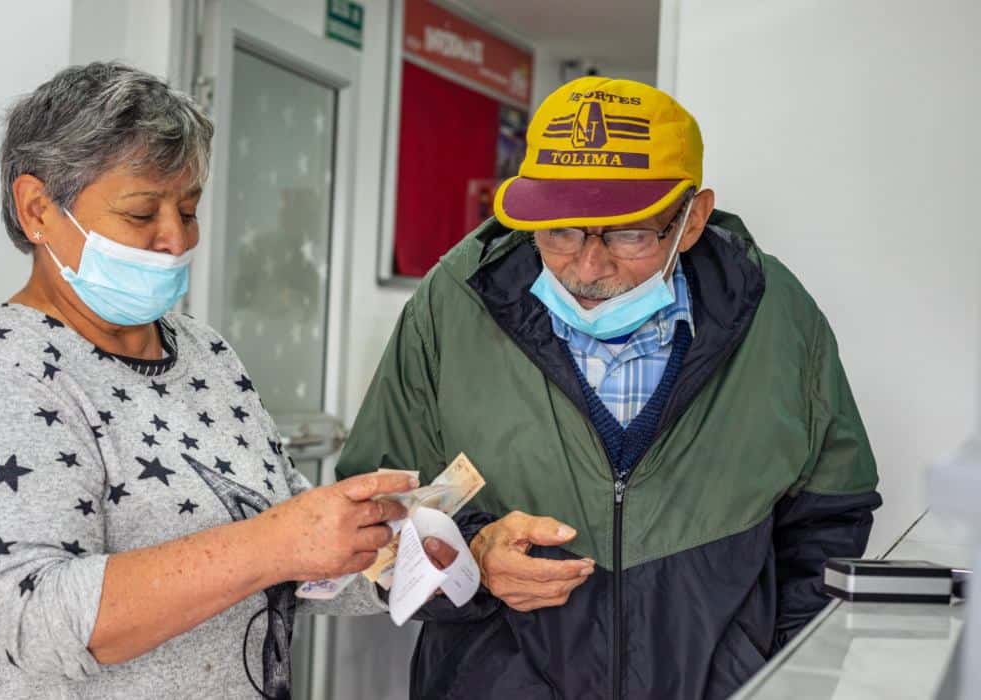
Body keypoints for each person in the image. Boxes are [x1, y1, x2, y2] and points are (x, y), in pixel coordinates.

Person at [0, 62, 431, 699]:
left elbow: (291, 552)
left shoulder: (205, 353)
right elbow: (32, 619)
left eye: (188, 208)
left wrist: (424, 552)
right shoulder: (2, 371)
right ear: (38, 208)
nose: (175, 238)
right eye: (142, 212)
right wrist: (272, 544)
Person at [336, 76, 882, 699]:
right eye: (560, 231)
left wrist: (786, 682)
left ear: (693, 218)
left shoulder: (777, 316)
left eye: (628, 234)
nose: (587, 267)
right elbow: (372, 516)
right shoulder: (453, 304)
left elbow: (828, 524)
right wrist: (476, 562)